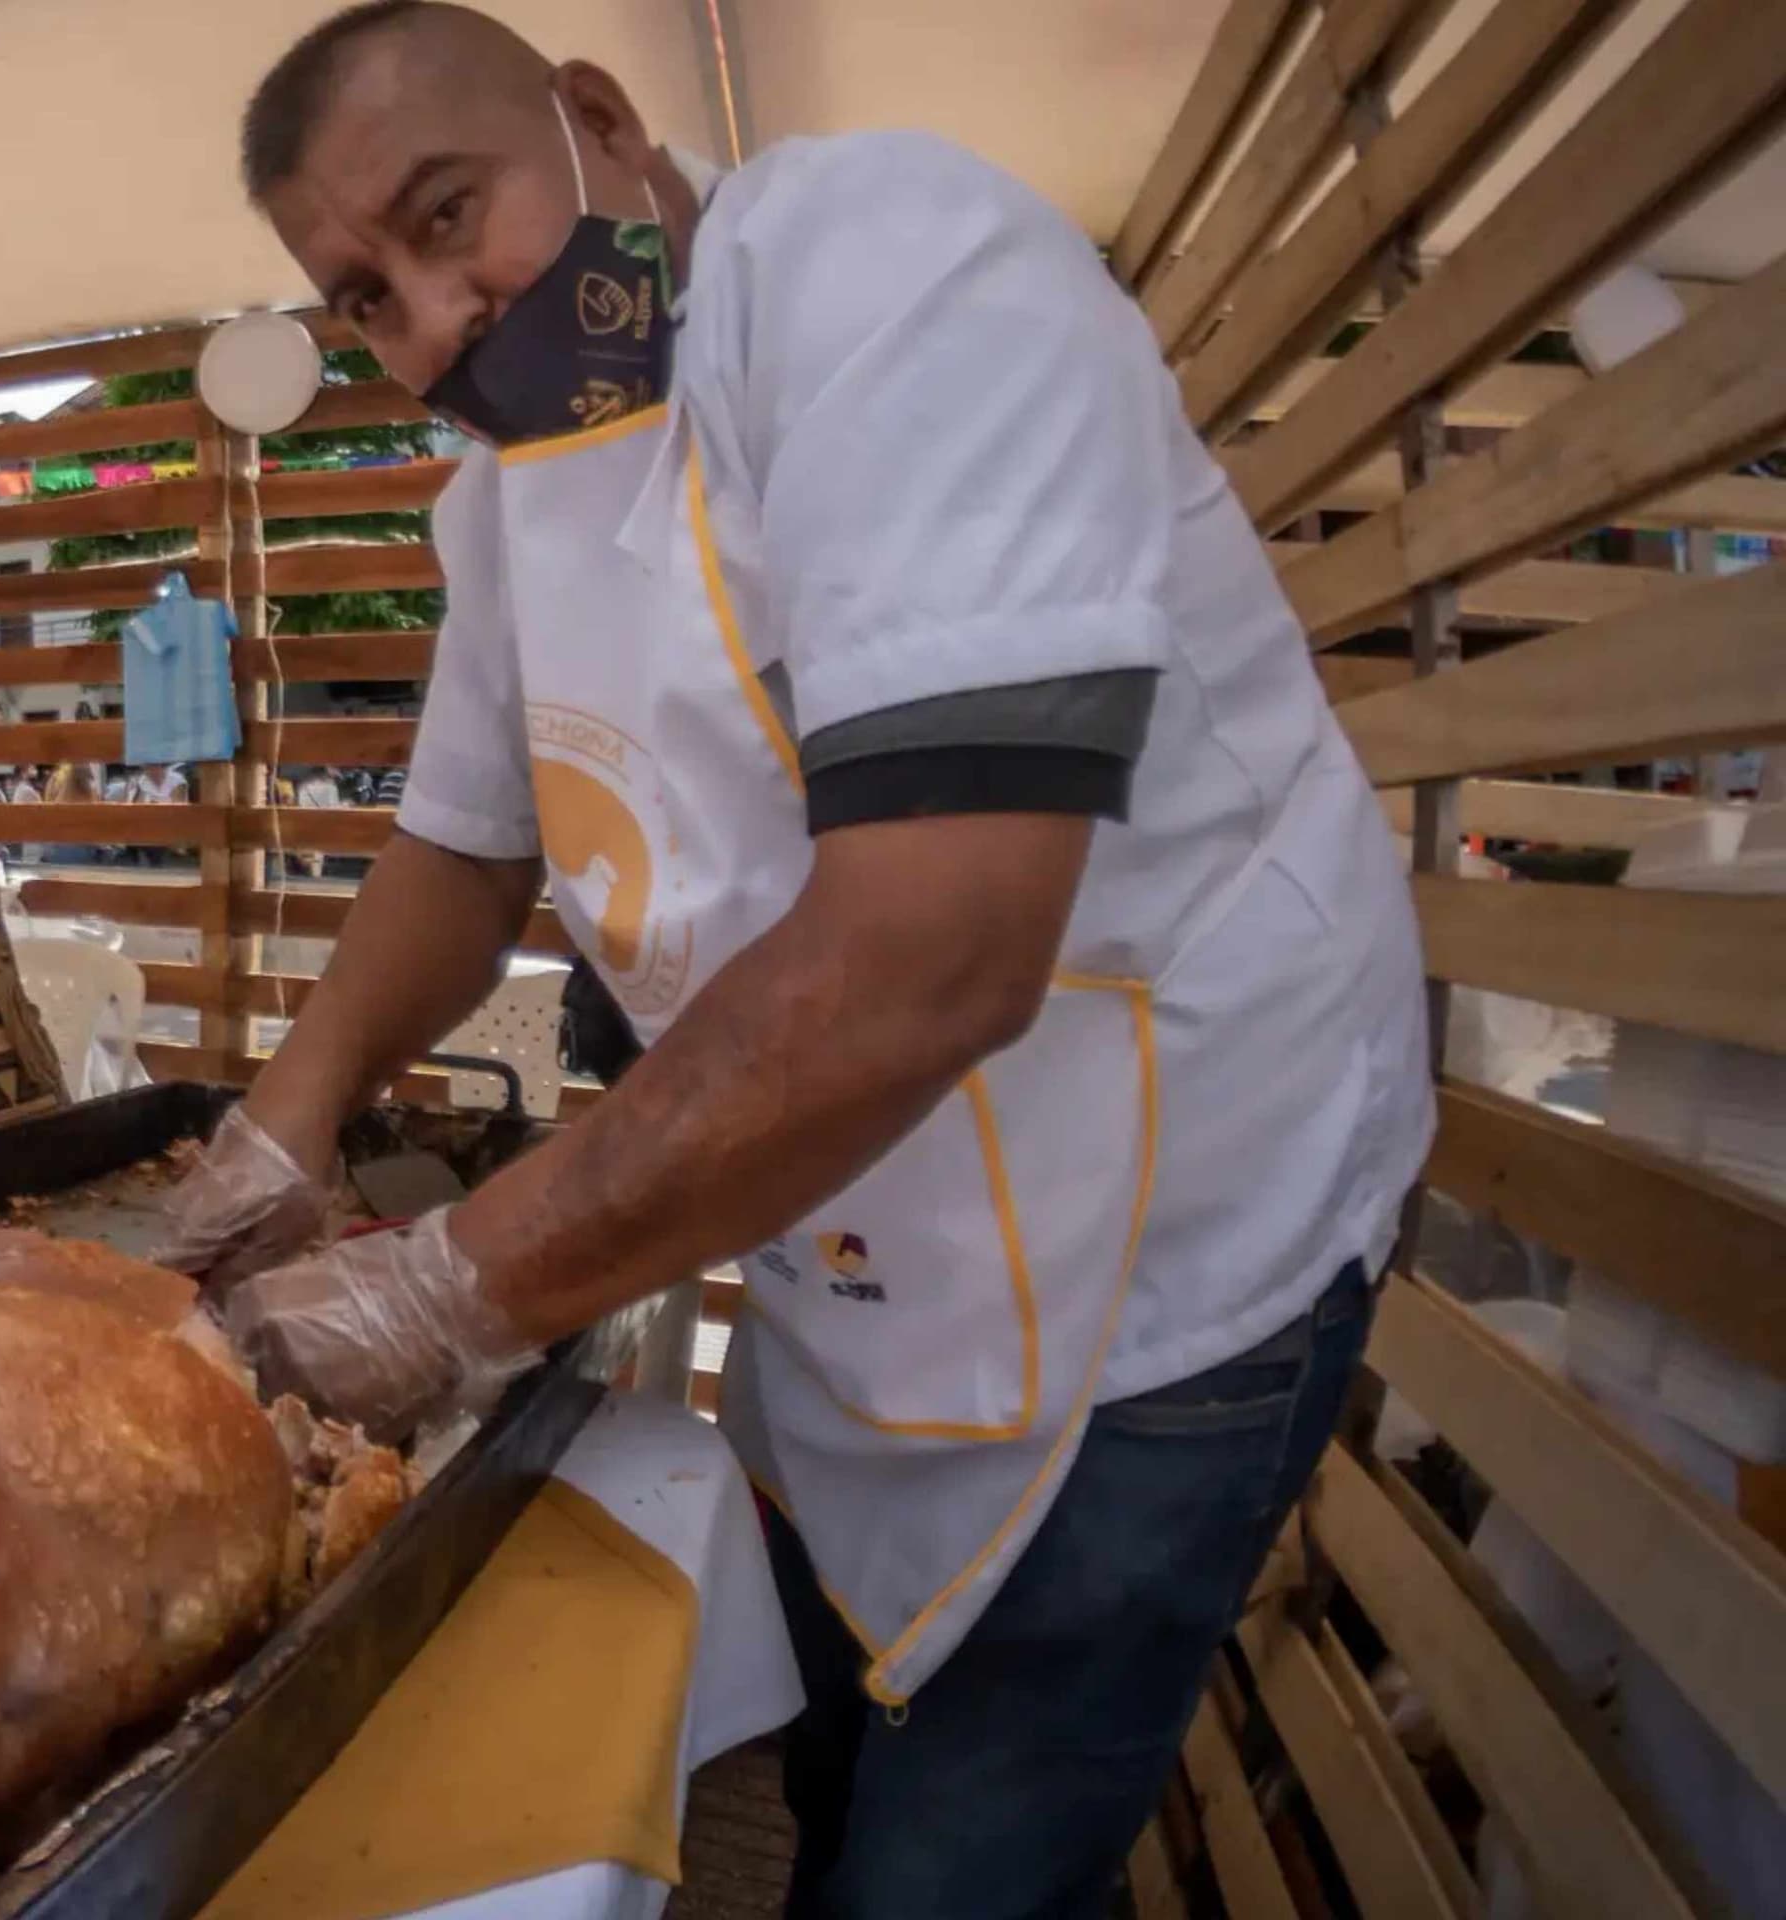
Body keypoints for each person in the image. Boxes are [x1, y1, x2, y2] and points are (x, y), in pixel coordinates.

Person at [176, 10, 1429, 1917]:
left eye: (446, 217)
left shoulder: (893, 277)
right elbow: (465, 843)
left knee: (974, 1840)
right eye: (364, 301)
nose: (432, 320)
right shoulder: (504, 494)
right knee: (844, 1733)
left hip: (1167, 1231)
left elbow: (932, 953)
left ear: (598, 121)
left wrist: (448, 1289)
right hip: (850, 1231)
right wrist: (285, 1118)